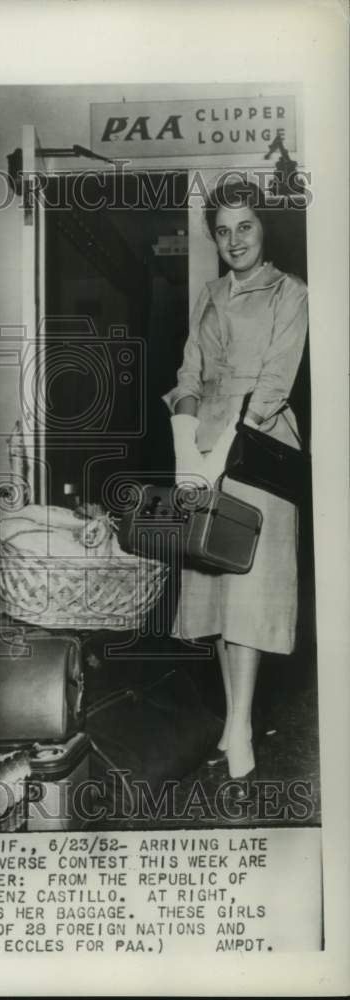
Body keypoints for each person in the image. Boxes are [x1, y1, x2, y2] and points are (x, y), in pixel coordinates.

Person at [163, 179, 308, 787]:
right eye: (222, 231)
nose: (233, 240)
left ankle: (243, 724)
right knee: (216, 591)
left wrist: (227, 440)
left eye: (244, 226)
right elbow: (188, 369)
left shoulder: (290, 293)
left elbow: (276, 380)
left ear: (264, 228)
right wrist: (187, 429)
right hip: (204, 446)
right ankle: (233, 718)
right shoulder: (208, 294)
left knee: (247, 595)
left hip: (259, 448)